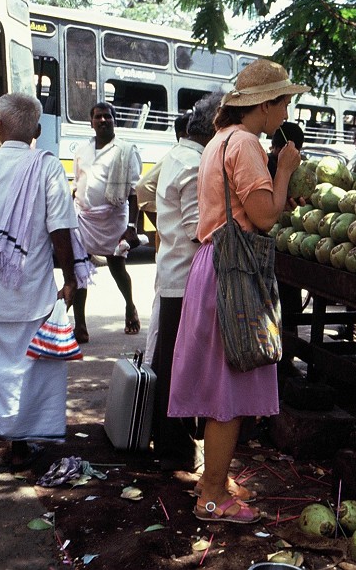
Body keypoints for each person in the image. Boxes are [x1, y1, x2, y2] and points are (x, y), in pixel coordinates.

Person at [168, 58, 309, 523]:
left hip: (215, 267)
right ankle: (212, 499)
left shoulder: (218, 141)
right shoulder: (247, 142)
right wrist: (284, 167)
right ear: (264, 106)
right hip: (235, 273)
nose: (286, 113)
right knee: (227, 393)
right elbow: (266, 215)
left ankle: (213, 482)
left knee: (218, 389)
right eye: (284, 103)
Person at [0, 93, 80, 469]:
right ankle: (17, 447)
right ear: (36, 130)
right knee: (24, 366)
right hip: (26, 289)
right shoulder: (46, 167)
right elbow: (61, 229)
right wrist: (70, 278)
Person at [150, 92, 223, 472]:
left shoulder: (179, 155)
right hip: (184, 277)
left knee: (173, 364)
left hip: (175, 272)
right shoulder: (194, 164)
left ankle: (171, 440)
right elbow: (201, 229)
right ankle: (175, 447)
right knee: (180, 368)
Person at [72, 102, 143, 343]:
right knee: (79, 269)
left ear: (115, 120)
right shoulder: (82, 150)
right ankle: (80, 325)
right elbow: (77, 185)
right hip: (84, 219)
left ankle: (130, 307)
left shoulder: (125, 150)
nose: (103, 121)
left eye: (107, 117)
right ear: (91, 122)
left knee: (117, 268)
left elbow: (135, 191)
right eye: (98, 117)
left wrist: (132, 227)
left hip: (114, 219)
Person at [136, 111, 192, 365]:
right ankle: (151, 367)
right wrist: (168, 215)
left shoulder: (176, 156)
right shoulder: (181, 157)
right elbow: (143, 188)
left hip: (170, 249)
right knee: (163, 317)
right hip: (177, 253)